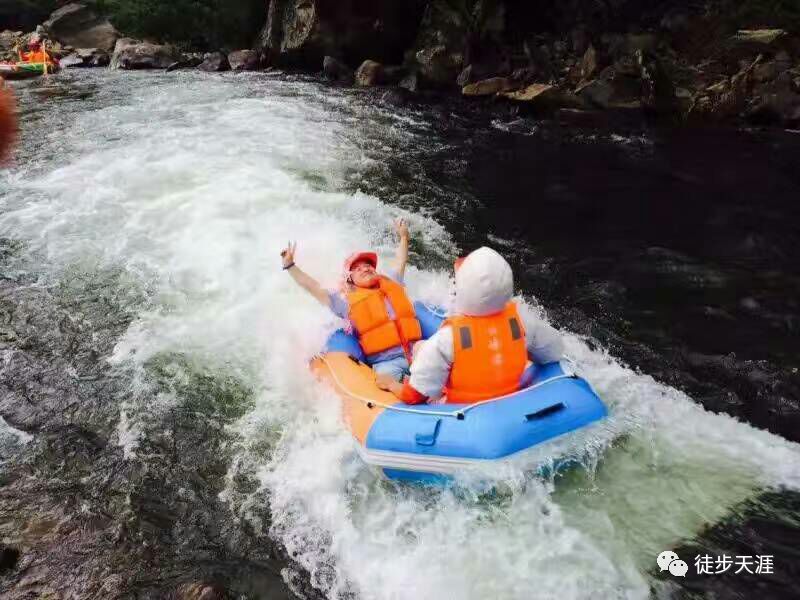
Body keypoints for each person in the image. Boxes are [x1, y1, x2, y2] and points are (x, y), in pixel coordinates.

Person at [376, 246, 564, 404]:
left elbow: (413, 395)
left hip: (465, 411)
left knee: (419, 348)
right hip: (513, 398)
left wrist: (392, 384)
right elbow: (553, 352)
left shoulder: (447, 338)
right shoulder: (522, 321)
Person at [281, 219, 421, 381]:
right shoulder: (345, 301)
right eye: (358, 268)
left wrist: (404, 236)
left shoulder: (391, 282)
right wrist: (290, 266)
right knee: (385, 382)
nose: (365, 268)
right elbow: (312, 287)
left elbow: (400, 261)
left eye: (368, 266)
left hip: (416, 352)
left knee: (430, 352)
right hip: (387, 362)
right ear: (350, 279)